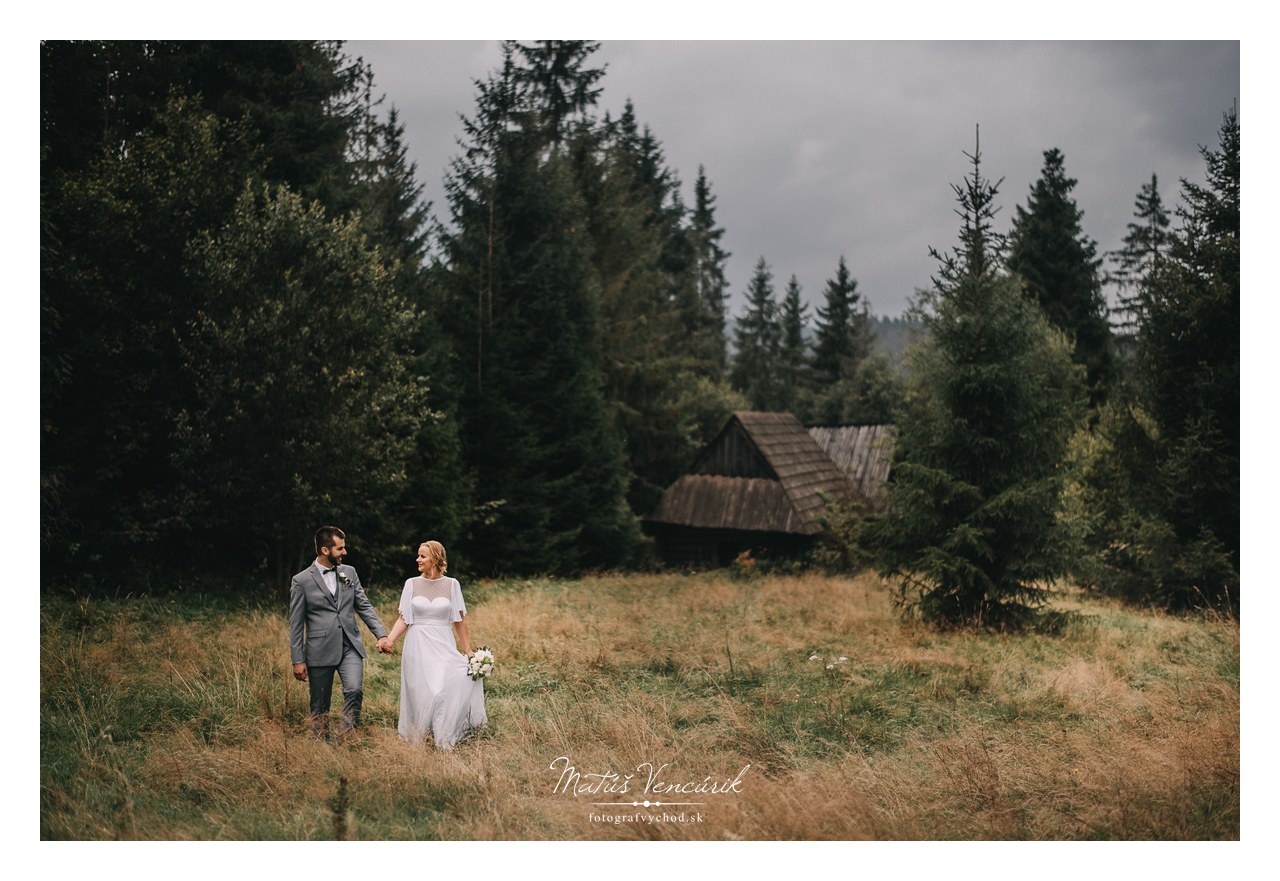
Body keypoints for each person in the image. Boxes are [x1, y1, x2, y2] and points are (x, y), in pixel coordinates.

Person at [288, 525, 392, 739]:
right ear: (325, 550)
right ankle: (321, 744)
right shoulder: (301, 581)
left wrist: (381, 634)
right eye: (340, 549)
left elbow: (363, 605)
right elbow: (296, 624)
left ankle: (345, 738)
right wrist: (298, 660)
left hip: (349, 645)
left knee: (354, 690)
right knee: (319, 703)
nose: (344, 552)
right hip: (319, 650)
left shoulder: (349, 572)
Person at [383, 540, 487, 749]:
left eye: (422, 556)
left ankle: (444, 735)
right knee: (422, 691)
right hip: (417, 644)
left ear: (436, 559)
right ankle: (421, 736)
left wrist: (468, 651)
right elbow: (405, 618)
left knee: (442, 688)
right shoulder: (411, 583)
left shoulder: (452, 584)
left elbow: (459, 620)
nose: (417, 559)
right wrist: (390, 639)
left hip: (442, 642)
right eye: (418, 555)